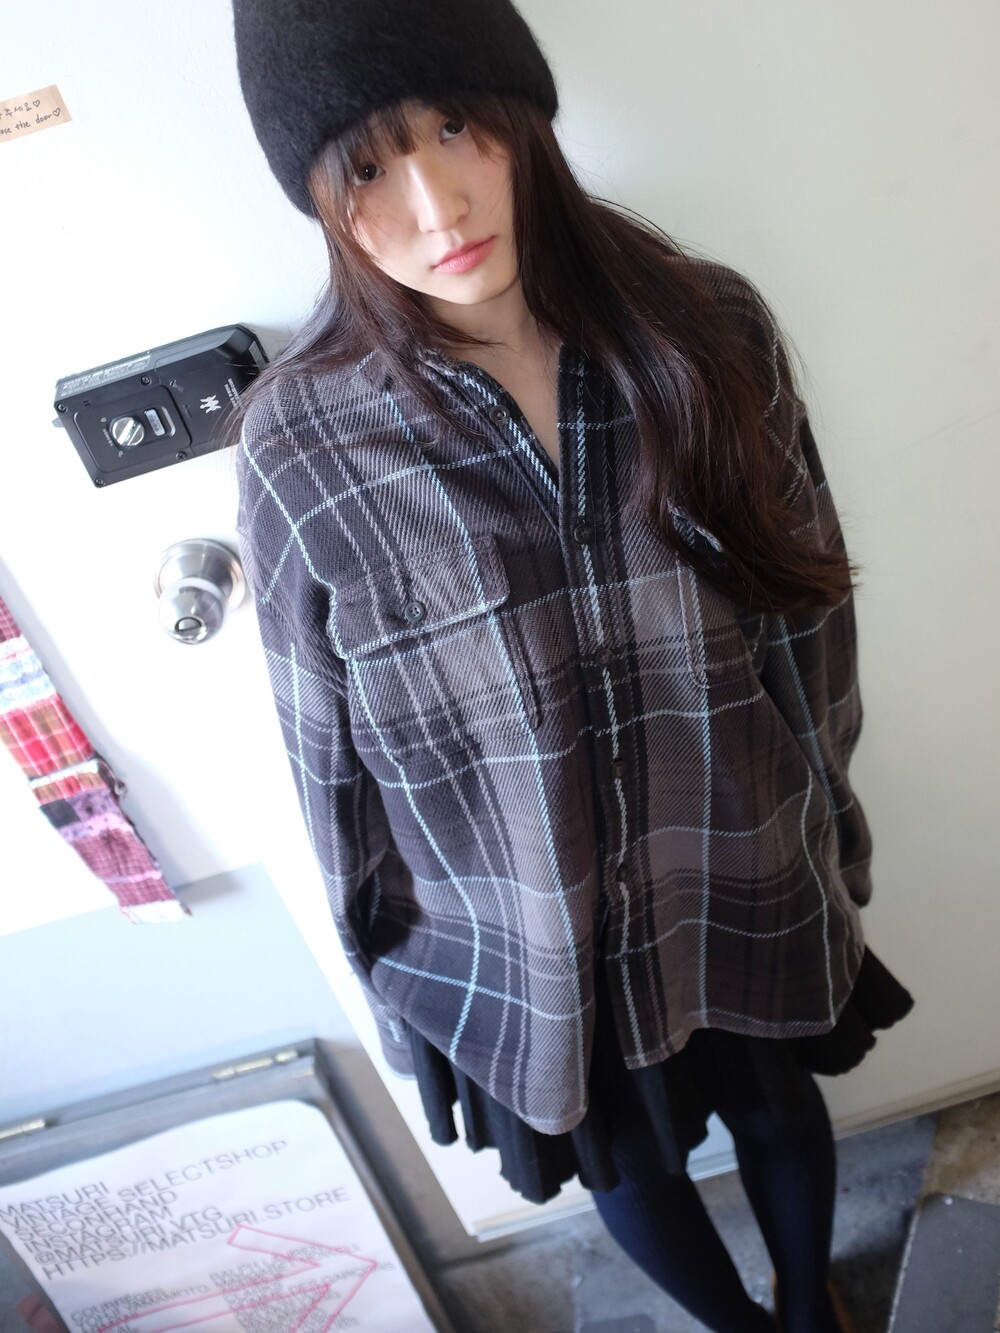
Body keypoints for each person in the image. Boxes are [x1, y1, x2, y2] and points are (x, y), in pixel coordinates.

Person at [231, 3, 913, 1330]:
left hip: (734, 850)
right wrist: (391, 977)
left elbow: (808, 621)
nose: (436, 205)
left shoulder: (705, 329)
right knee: (629, 1164)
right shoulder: (302, 443)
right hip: (525, 921)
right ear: (317, 196)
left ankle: (804, 1303)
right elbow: (324, 752)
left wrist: (831, 832)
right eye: (367, 166)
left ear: (521, 114)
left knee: (780, 1104)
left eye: (455, 126)